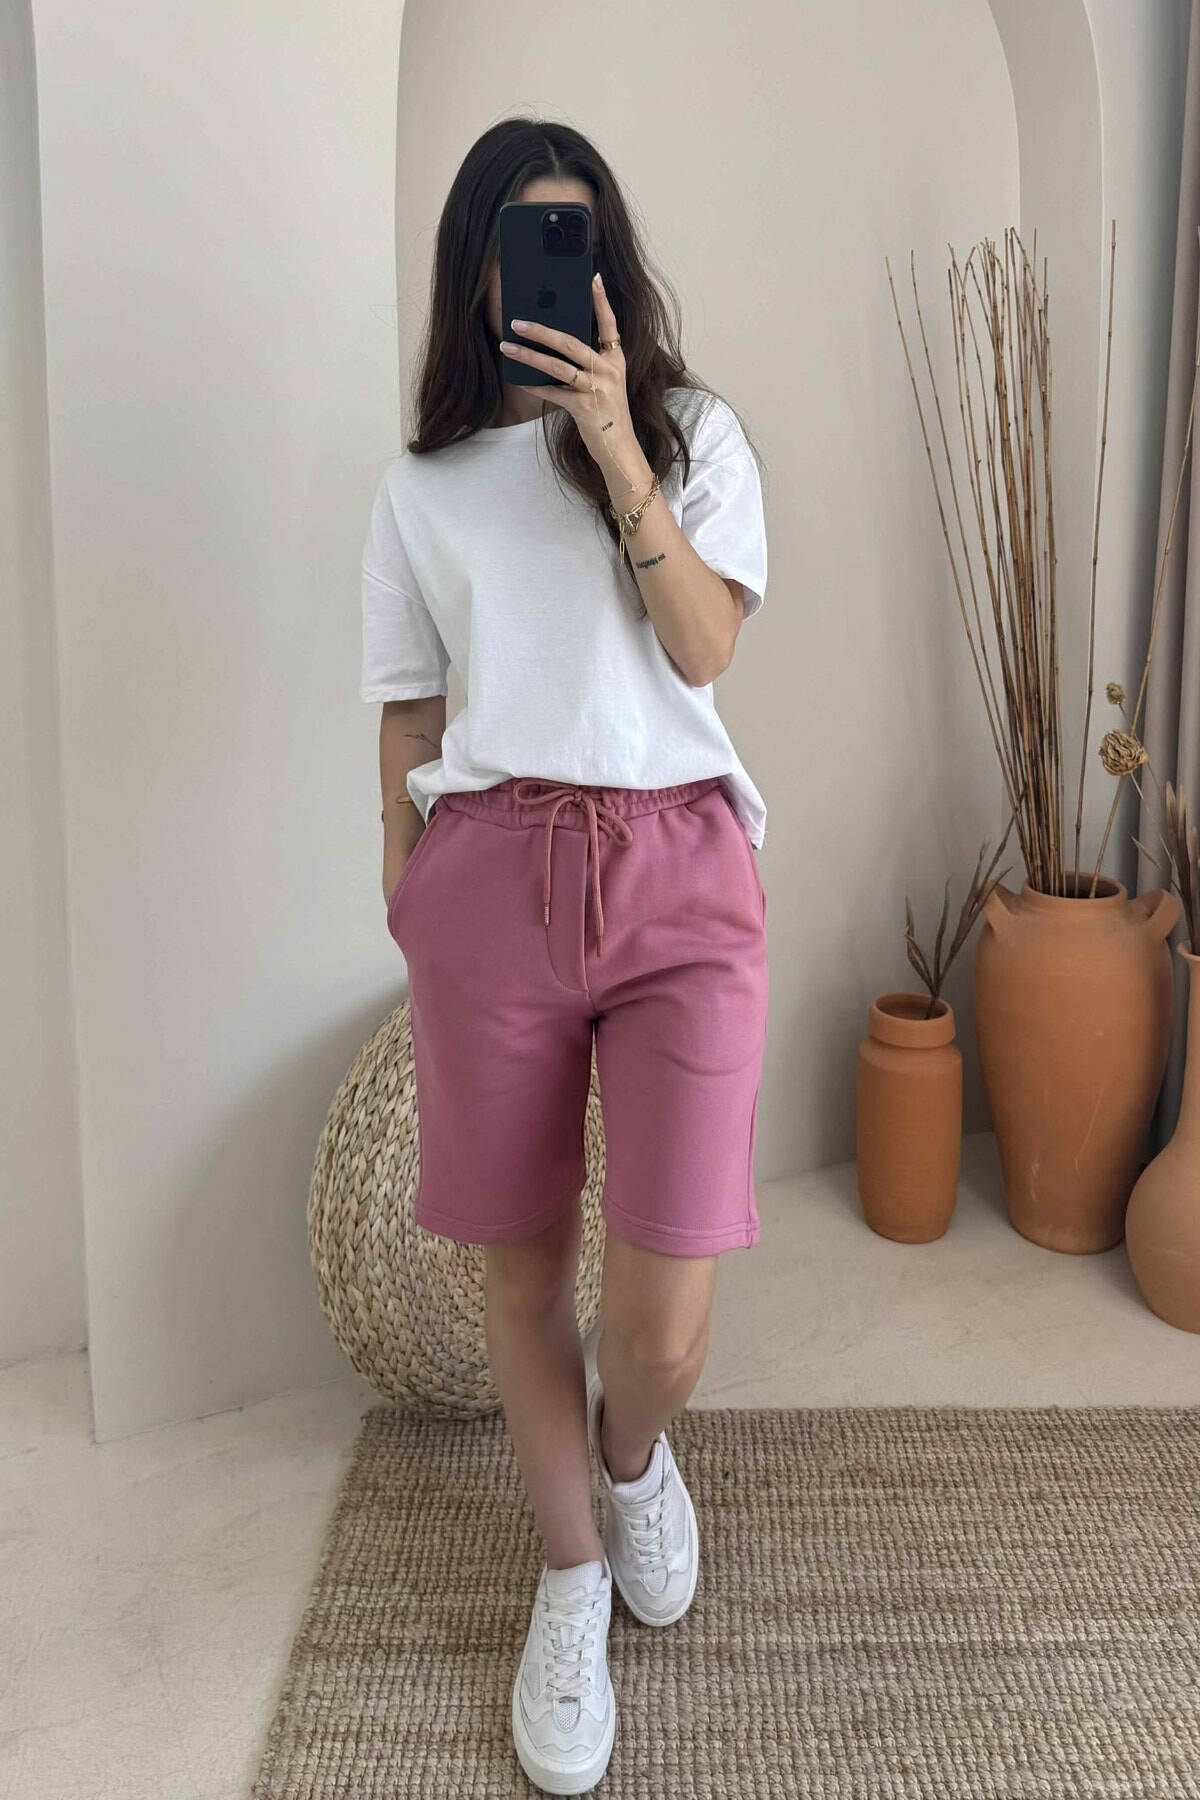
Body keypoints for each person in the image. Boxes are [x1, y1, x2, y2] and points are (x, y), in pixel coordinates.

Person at [360, 117, 769, 1795]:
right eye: (518, 239)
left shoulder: (695, 434)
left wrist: (616, 450)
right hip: (493, 878)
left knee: (660, 1321)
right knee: (523, 1271)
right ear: (475, 271)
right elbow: (407, 713)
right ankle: (569, 1575)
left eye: (573, 233)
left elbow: (706, 645)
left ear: (608, 259)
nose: (547, 264)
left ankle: (634, 1455)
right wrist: (410, 894)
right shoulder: (421, 486)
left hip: (680, 875)